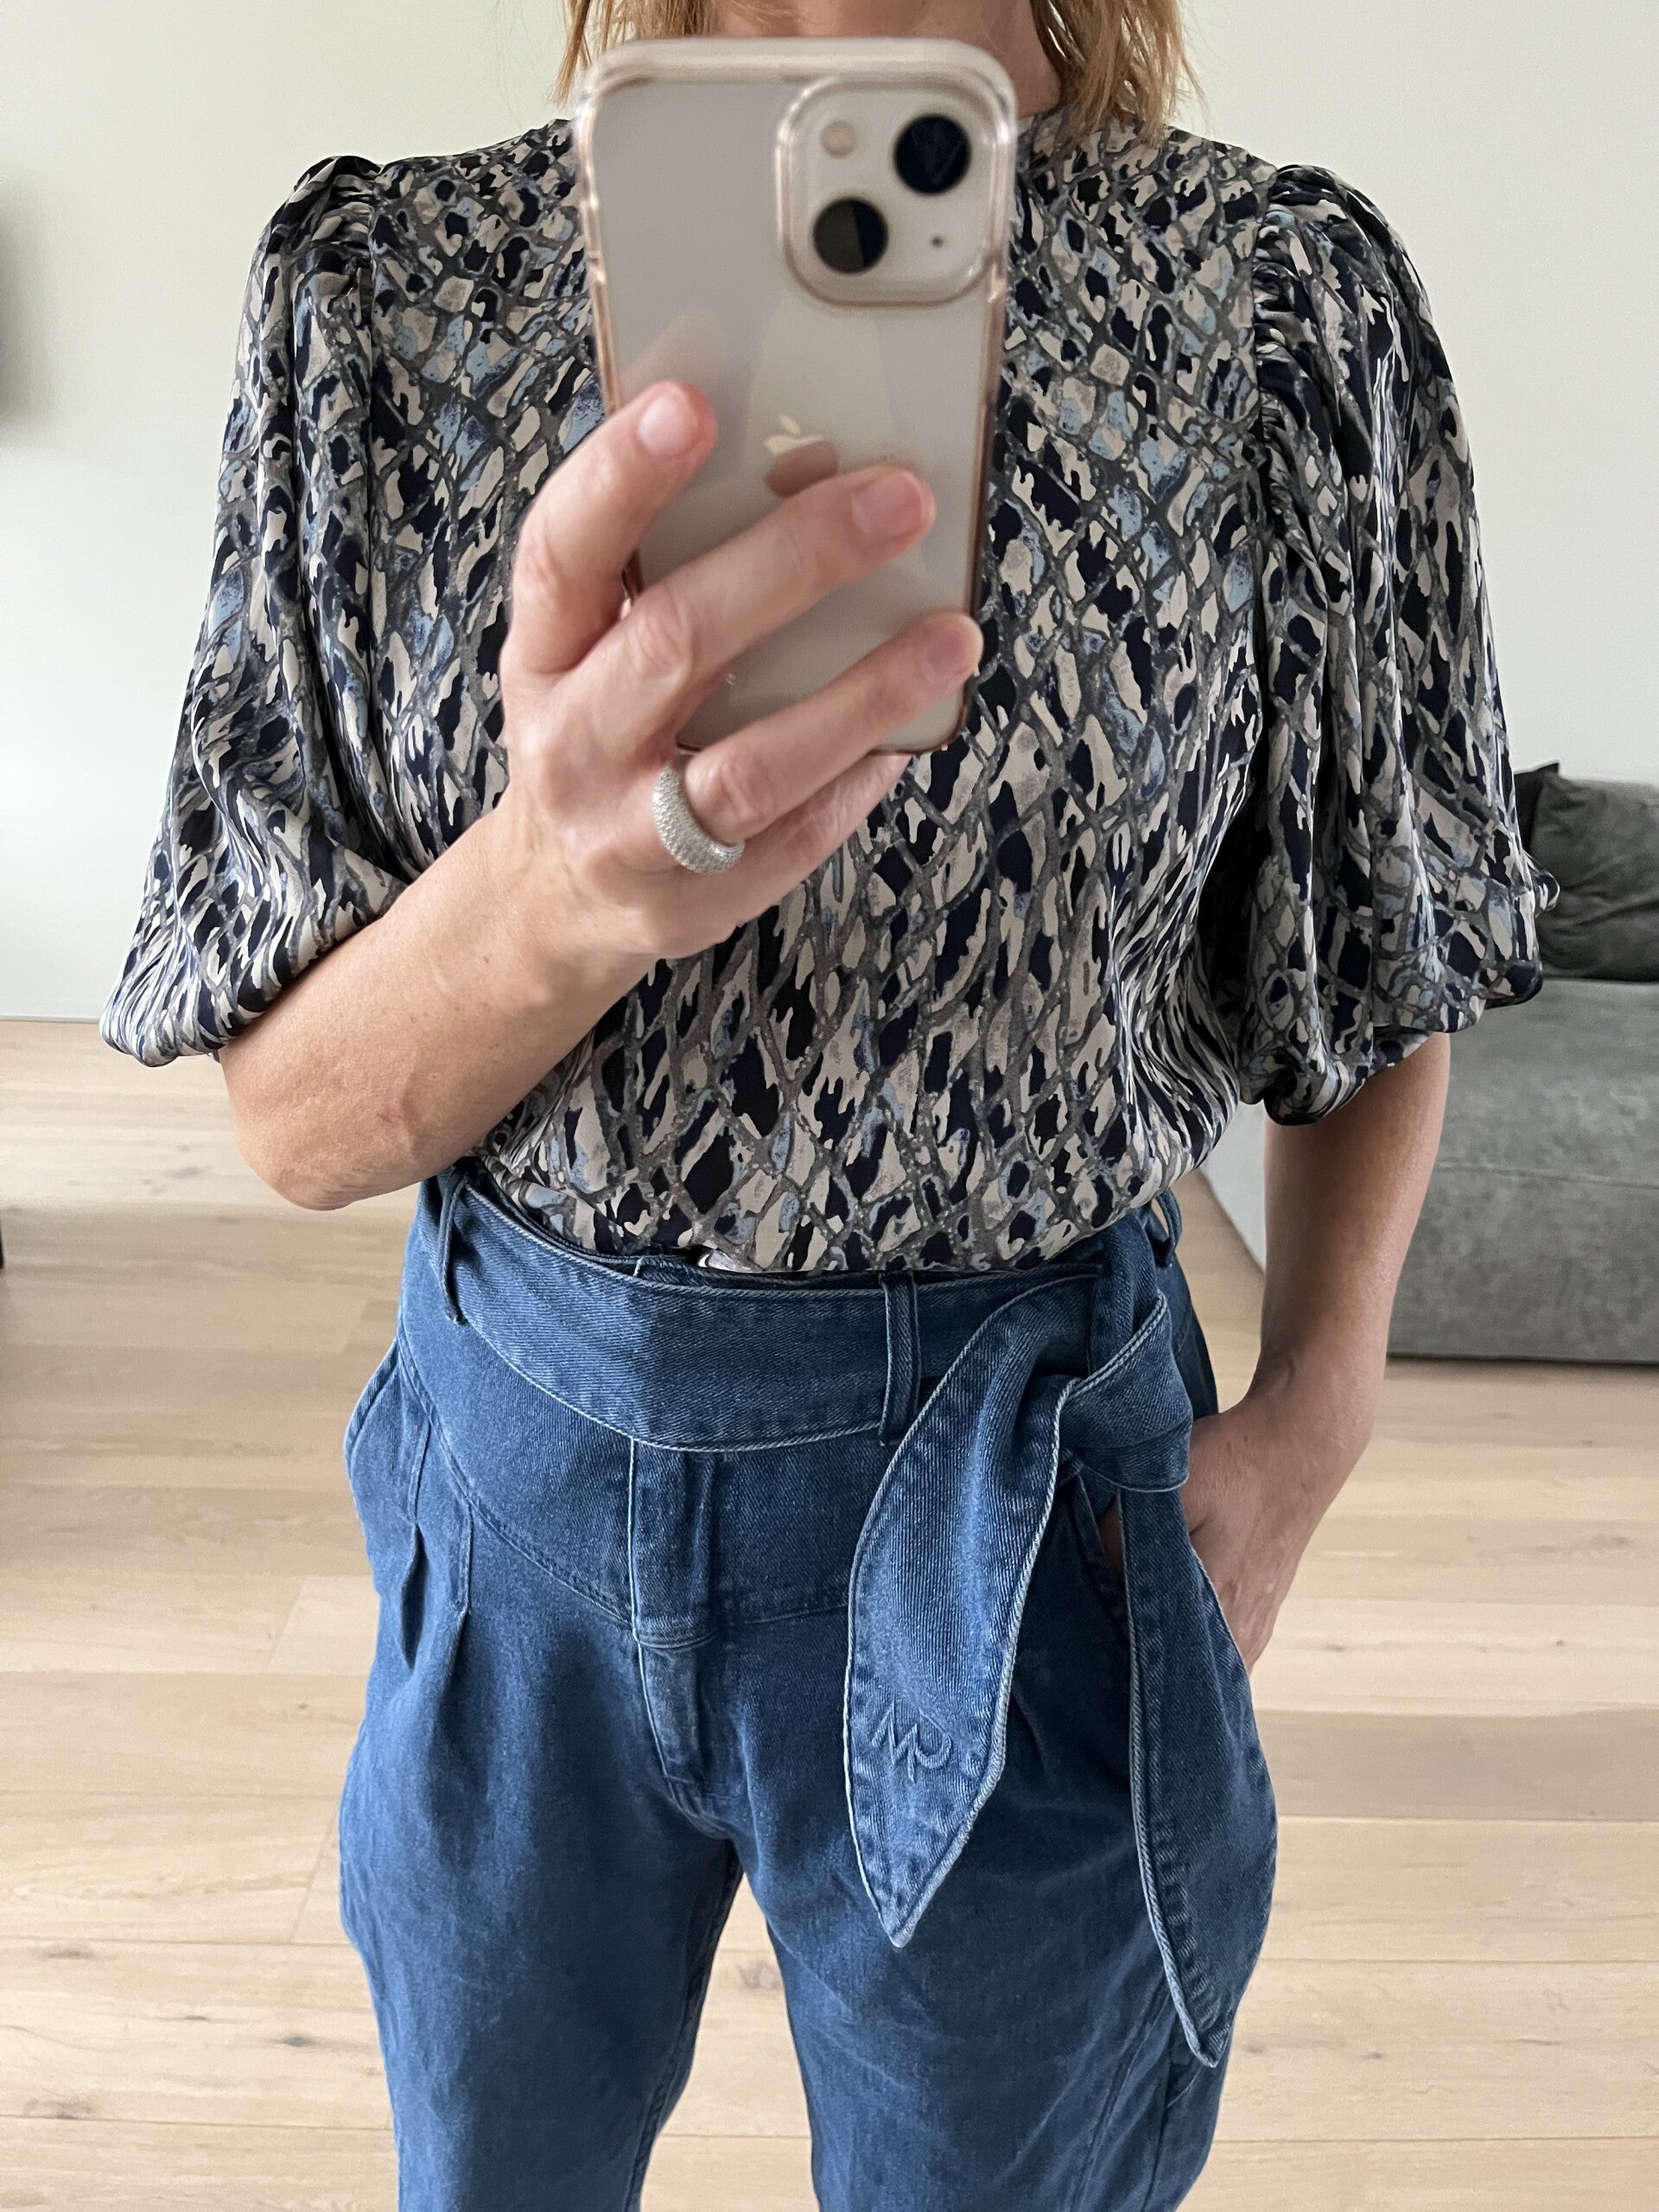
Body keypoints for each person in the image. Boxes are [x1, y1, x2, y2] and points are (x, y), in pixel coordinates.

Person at [102, 0, 1552, 2203]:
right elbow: (296, 1121)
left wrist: (1315, 1416)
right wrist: (558, 888)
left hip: (1030, 1499)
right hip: (519, 1497)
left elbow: (1383, 942)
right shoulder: (379, 301)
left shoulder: (1281, 313)